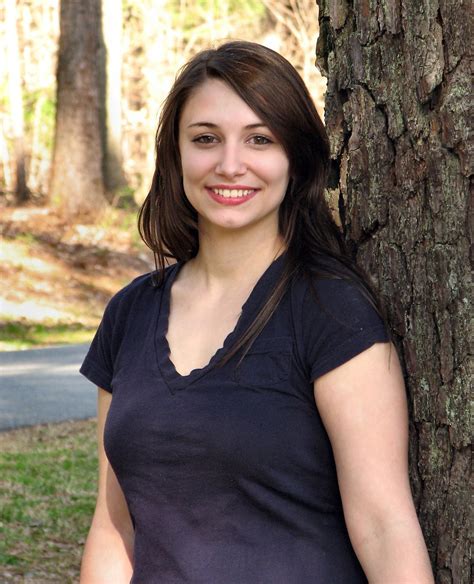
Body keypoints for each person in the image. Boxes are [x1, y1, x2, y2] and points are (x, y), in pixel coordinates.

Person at [79, 41, 434, 583]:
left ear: (295, 157)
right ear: (176, 154)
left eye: (259, 139)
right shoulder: (129, 313)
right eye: (205, 139)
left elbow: (385, 525)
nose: (229, 164)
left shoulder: (330, 310)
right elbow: (114, 526)